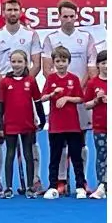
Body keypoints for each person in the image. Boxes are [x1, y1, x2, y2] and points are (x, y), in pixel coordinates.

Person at [0, 0, 44, 193]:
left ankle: (35, 179)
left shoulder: (30, 35)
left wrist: (24, 83)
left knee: (31, 137)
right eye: (9, 10)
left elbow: (36, 64)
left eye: (15, 9)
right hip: (3, 92)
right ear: (3, 12)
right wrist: (6, 83)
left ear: (21, 11)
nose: (12, 13)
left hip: (25, 94)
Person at [0, 49, 47, 197]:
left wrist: (42, 120)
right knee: (10, 154)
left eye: (20, 61)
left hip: (27, 124)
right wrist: (0, 125)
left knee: (28, 154)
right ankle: (8, 188)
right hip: (10, 125)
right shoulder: (5, 82)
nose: (16, 65)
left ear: (26, 63)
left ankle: (30, 187)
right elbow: (0, 105)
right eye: (13, 62)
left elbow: (37, 102)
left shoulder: (30, 80)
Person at [41, 46, 86, 199]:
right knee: (54, 157)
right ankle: (53, 186)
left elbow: (81, 98)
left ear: (69, 62)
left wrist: (67, 98)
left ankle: (80, 185)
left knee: (76, 157)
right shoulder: (51, 79)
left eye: (63, 61)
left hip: (72, 125)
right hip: (56, 127)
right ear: (53, 63)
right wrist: (53, 94)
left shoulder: (74, 79)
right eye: (58, 61)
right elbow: (43, 98)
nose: (61, 64)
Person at [83, 50, 107, 198]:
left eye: (108, 63)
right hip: (99, 127)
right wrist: (97, 100)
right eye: (103, 63)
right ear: (98, 65)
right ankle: (101, 184)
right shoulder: (93, 83)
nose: (106, 66)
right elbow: (86, 104)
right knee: (101, 156)